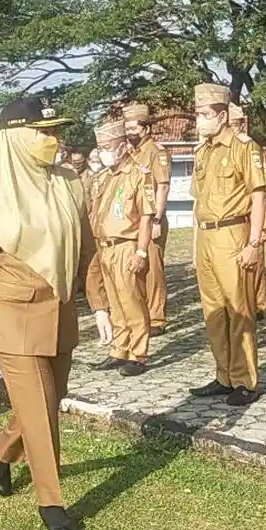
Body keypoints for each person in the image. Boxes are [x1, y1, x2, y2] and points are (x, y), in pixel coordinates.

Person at [0, 96, 109, 530]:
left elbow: (88, 251)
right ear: (14, 139)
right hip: (13, 317)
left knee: (47, 401)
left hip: (60, 312)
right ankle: (52, 502)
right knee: (43, 412)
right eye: (43, 133)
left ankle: (1, 448)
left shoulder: (69, 183)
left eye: (56, 132)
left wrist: (100, 305)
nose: (54, 140)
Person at [185, 83, 266, 405]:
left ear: (222, 117)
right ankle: (224, 375)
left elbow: (259, 194)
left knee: (239, 309)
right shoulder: (202, 153)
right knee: (214, 311)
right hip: (207, 236)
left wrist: (255, 241)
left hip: (233, 234)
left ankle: (246, 379)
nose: (199, 121)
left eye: (205, 115)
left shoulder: (245, 149)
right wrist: (194, 246)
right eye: (198, 114)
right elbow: (197, 202)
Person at [88, 119, 155, 376]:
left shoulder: (139, 174)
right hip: (105, 247)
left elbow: (146, 216)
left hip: (127, 244)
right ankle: (119, 348)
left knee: (131, 300)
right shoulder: (104, 178)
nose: (103, 152)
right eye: (100, 147)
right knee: (114, 301)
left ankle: (138, 354)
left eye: (108, 146)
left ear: (122, 146)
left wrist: (141, 251)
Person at [124, 102, 171, 336]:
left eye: (134, 127)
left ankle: (157, 317)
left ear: (146, 129)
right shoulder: (130, 152)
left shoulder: (156, 151)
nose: (129, 131)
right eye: (127, 127)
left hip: (152, 218)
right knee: (139, 268)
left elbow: (162, 187)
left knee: (153, 269)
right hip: (134, 220)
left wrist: (156, 220)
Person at [229, 103, 266, 318]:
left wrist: (264, 226)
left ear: (239, 126)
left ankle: (258, 303)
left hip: (250, 216)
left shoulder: (249, 148)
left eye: (231, 125)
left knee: (254, 265)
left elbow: (264, 192)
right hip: (231, 218)